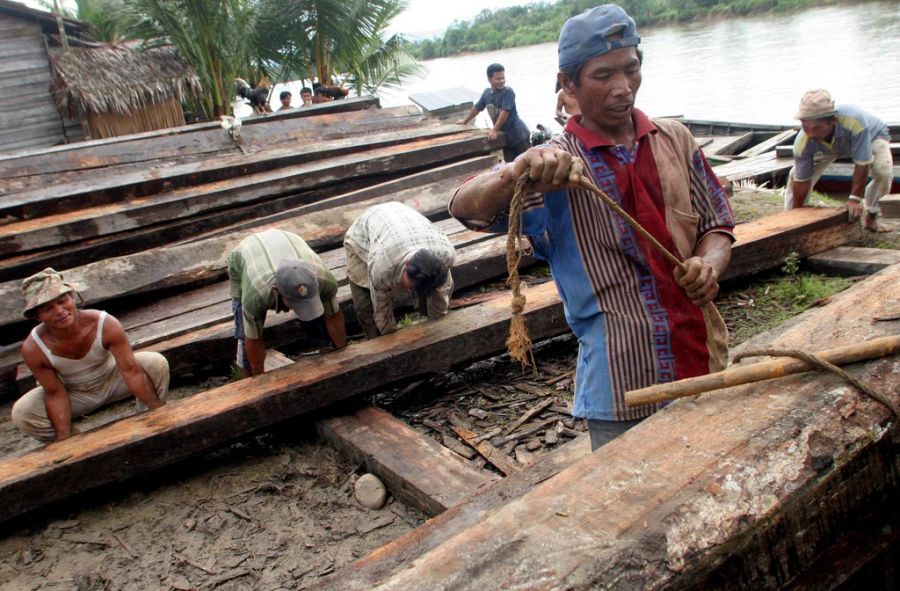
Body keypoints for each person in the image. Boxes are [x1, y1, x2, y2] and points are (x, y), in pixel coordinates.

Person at [450, 4, 735, 451]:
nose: (623, 88)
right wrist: (515, 169)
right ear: (569, 84)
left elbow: (717, 223)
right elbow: (466, 209)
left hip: (703, 357)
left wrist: (709, 263)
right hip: (620, 385)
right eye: (604, 76)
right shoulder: (553, 168)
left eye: (631, 69)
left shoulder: (675, 139)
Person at [11, 269, 169, 443]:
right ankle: (76, 441)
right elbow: (55, 393)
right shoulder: (33, 348)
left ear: (72, 297)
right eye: (48, 309)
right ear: (37, 316)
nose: (59, 311)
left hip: (114, 380)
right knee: (23, 412)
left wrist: (159, 414)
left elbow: (131, 371)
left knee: (155, 362)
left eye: (63, 300)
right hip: (75, 395)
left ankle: (147, 417)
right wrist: (65, 441)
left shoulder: (104, 323)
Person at [227, 229, 347, 377]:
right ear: (277, 291)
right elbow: (254, 339)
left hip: (289, 238)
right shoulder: (256, 296)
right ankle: (244, 375)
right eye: (294, 303)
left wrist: (343, 354)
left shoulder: (324, 281)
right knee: (243, 330)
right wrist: (259, 381)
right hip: (245, 253)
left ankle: (325, 347)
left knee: (317, 319)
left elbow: (333, 317)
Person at [783, 89, 894, 232]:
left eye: (818, 127)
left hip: (870, 137)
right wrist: (797, 215)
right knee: (795, 175)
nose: (811, 134)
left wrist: (854, 199)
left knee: (883, 171)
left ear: (833, 120)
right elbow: (803, 179)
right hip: (827, 146)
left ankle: (872, 216)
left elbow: (862, 163)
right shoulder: (804, 142)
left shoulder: (855, 120)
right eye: (806, 127)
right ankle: (789, 219)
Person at [343, 202, 455, 338]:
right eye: (410, 288)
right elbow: (381, 309)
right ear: (407, 265)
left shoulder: (446, 255)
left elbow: (441, 292)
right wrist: (391, 340)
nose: (409, 292)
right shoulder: (383, 268)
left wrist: (437, 329)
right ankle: (374, 341)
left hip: (407, 226)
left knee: (434, 299)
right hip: (361, 237)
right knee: (365, 306)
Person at [456, 63, 532, 162]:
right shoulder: (487, 93)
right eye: (498, 79)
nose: (501, 81)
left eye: (503, 78)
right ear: (489, 80)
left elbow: (505, 112)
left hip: (519, 135)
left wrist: (495, 130)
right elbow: (477, 108)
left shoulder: (508, 92)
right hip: (506, 138)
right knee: (512, 166)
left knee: (528, 162)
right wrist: (465, 121)